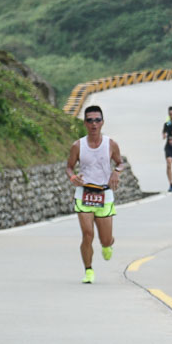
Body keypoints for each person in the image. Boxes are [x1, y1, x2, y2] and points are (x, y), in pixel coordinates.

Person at [66, 105, 123, 284]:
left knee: (105, 240)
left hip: (104, 195)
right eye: (90, 120)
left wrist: (116, 172)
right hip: (84, 193)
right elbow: (69, 167)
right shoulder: (78, 145)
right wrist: (73, 177)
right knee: (87, 233)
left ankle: (108, 244)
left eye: (97, 120)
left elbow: (120, 163)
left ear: (102, 122)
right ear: (85, 123)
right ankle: (88, 270)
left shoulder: (110, 144)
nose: (94, 124)